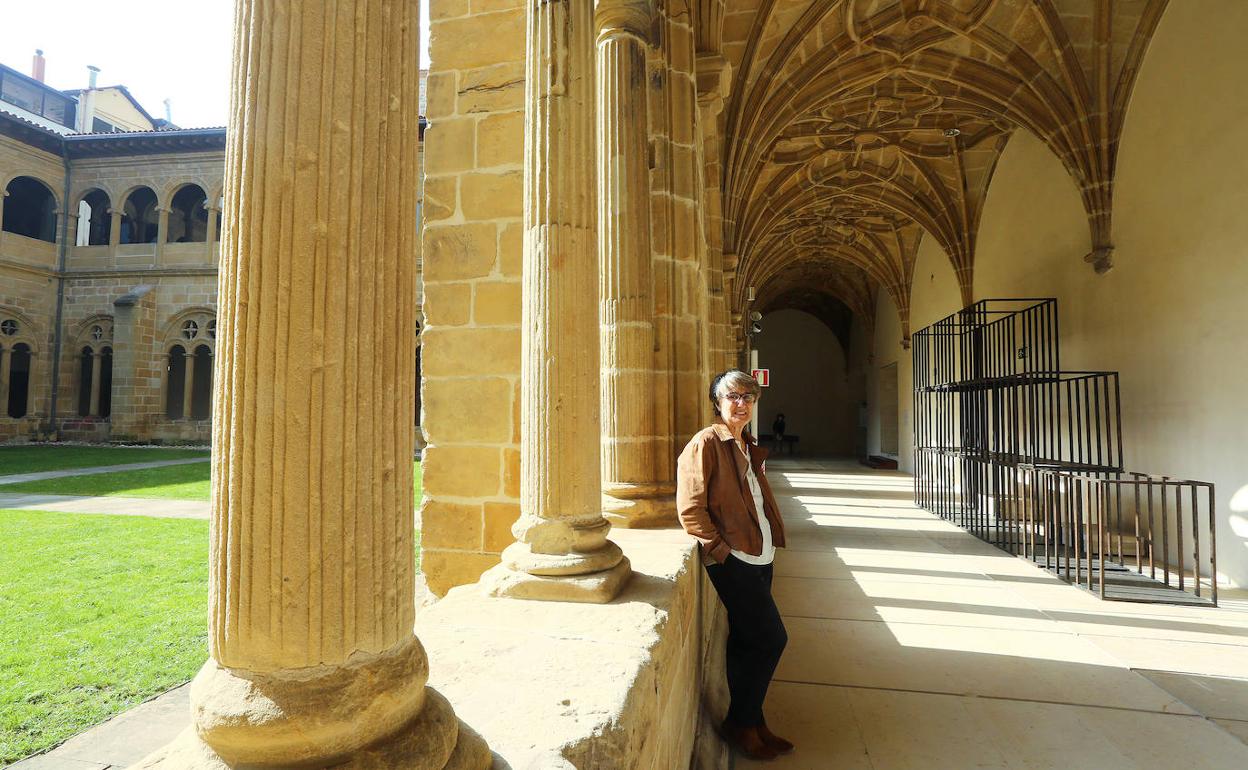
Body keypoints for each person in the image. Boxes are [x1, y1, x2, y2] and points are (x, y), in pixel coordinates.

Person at [676, 369, 792, 761]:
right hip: (735, 560)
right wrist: (720, 552)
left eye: (748, 397)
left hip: (761, 555)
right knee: (772, 638)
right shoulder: (706, 442)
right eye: (733, 396)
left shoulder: (746, 442)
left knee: (747, 641)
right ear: (717, 401)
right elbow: (690, 508)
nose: (741, 404)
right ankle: (742, 722)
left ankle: (753, 721)